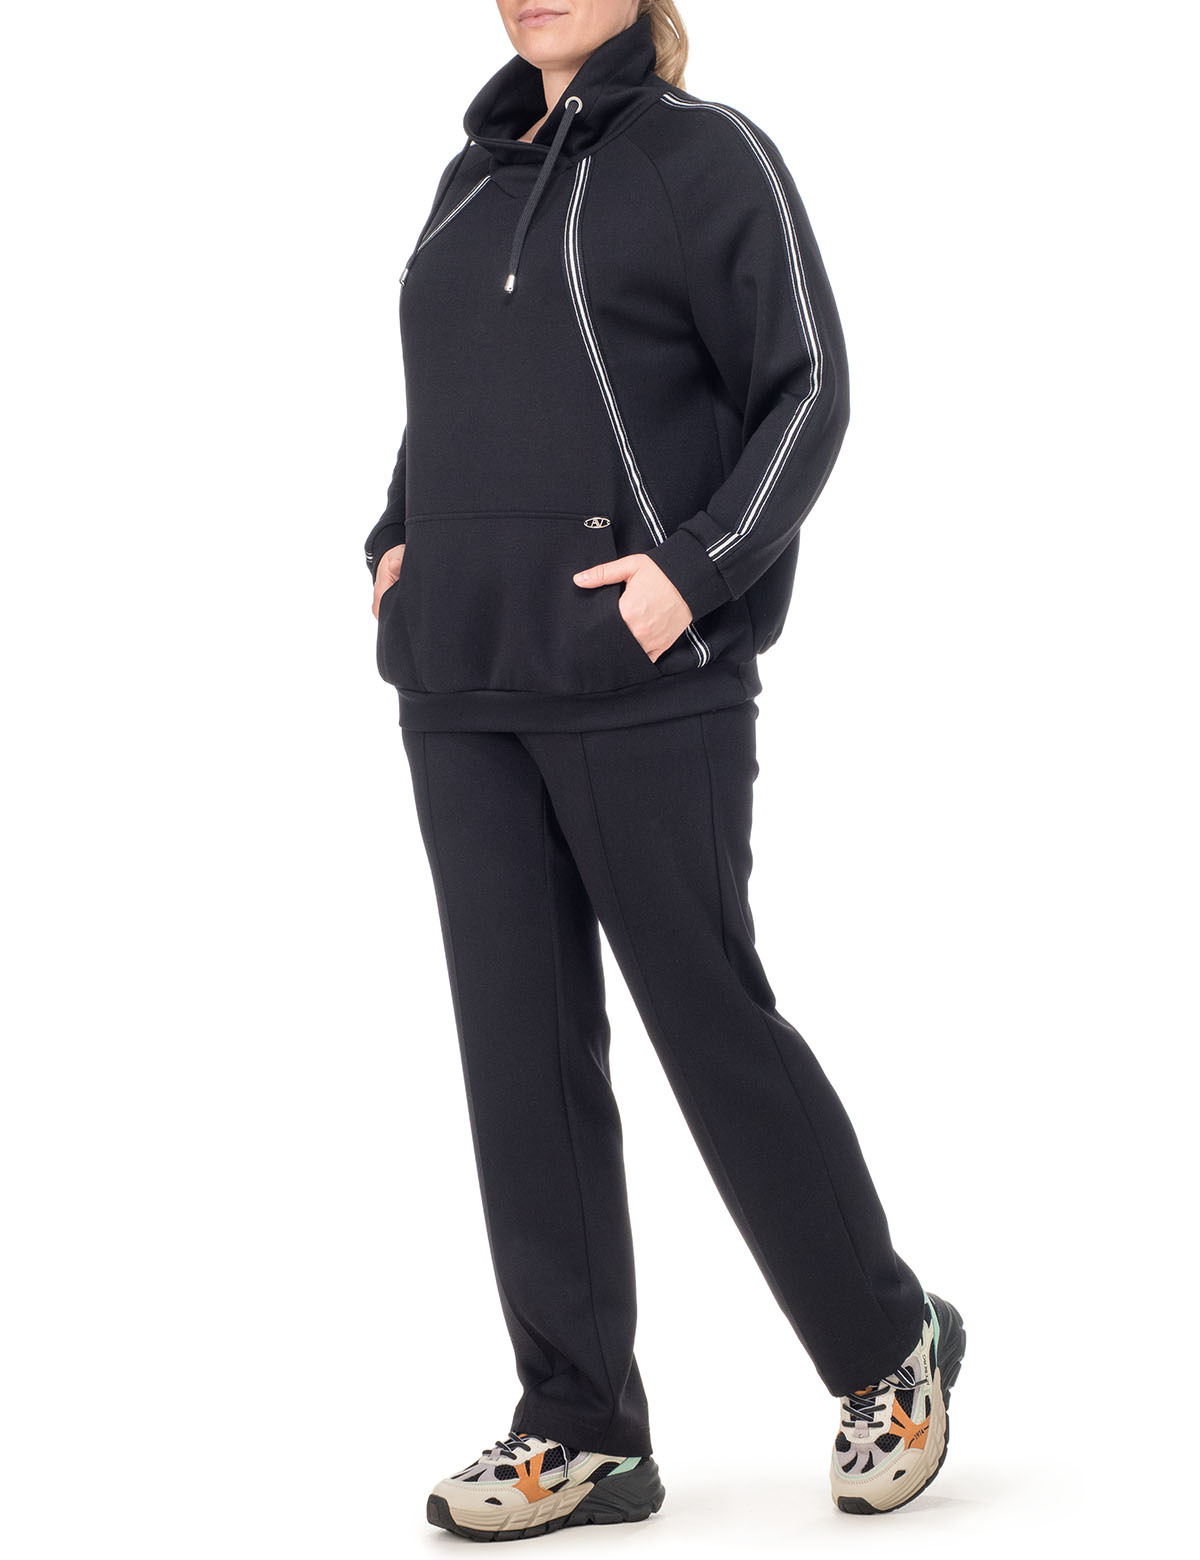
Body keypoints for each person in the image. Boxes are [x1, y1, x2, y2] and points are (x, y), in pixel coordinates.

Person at [365, 1, 965, 1540]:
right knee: (519, 1053)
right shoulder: (470, 179)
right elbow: (454, 399)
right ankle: (580, 1426)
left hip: (646, 683)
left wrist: (690, 574)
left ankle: (887, 1345)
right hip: (463, 687)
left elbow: (809, 386)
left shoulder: (706, 157)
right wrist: (396, 540)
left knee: (706, 1020)